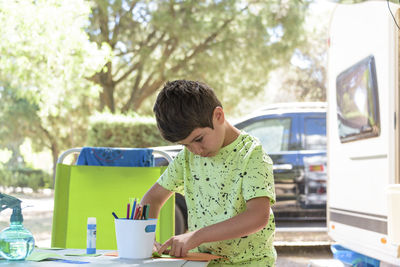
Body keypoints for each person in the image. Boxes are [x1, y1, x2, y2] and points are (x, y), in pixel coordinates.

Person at [141, 80, 276, 266]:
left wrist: (197, 236)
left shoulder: (252, 155)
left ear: (218, 115)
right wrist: (148, 241)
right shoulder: (187, 158)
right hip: (202, 263)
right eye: (185, 144)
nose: (195, 150)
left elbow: (258, 216)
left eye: (198, 139)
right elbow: (152, 199)